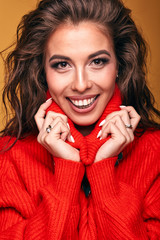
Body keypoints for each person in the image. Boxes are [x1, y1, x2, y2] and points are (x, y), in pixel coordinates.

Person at [0, 0, 160, 239]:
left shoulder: (155, 153)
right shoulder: (9, 158)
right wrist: (67, 171)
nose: (81, 84)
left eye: (97, 61)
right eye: (62, 64)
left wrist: (104, 170)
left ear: (119, 65)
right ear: (42, 71)